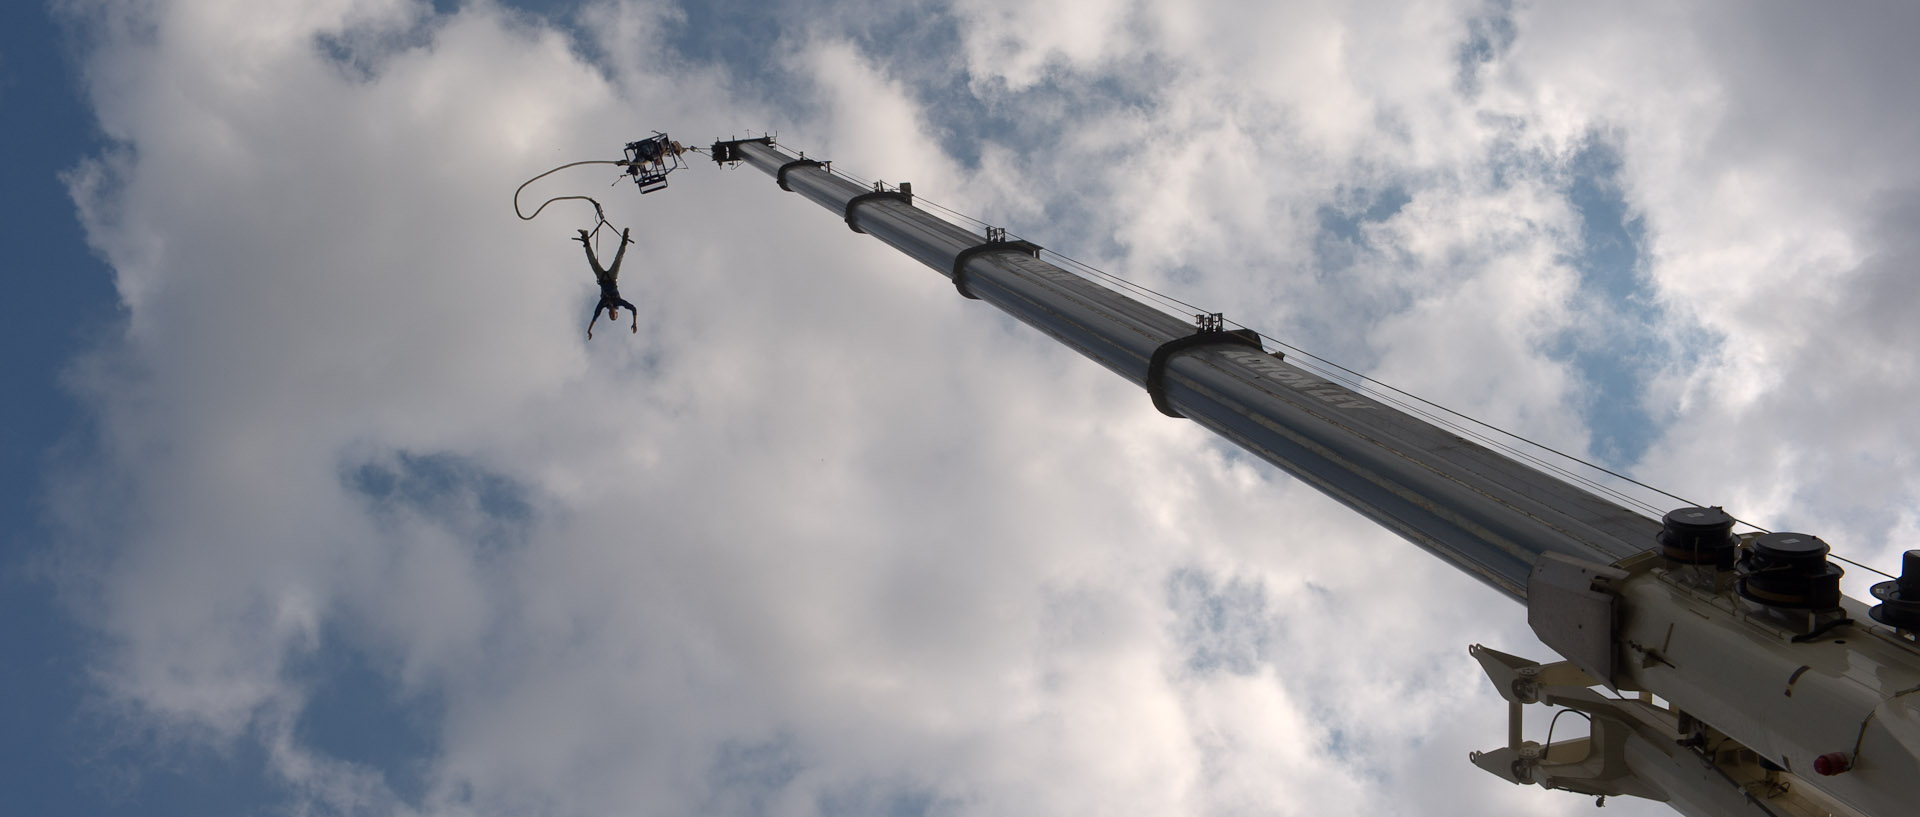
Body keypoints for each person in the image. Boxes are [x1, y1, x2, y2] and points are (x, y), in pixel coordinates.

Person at [578, 227, 637, 338]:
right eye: (613, 315)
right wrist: (634, 323)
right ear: (616, 312)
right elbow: (633, 308)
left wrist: (589, 330)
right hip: (612, 277)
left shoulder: (603, 303)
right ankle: (625, 238)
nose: (611, 314)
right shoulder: (618, 302)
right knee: (619, 259)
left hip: (601, 278)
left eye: (610, 315)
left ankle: (585, 238)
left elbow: (595, 317)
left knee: (592, 261)